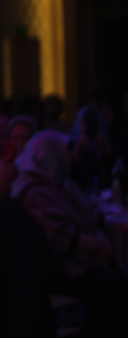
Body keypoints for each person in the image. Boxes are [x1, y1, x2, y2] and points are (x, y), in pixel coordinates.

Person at [11, 130, 128, 337]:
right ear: (51, 156)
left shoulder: (55, 183)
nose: (69, 157)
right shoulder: (32, 191)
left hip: (76, 259)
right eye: (65, 152)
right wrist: (98, 245)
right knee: (115, 293)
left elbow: (87, 211)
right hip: (58, 270)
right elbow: (59, 239)